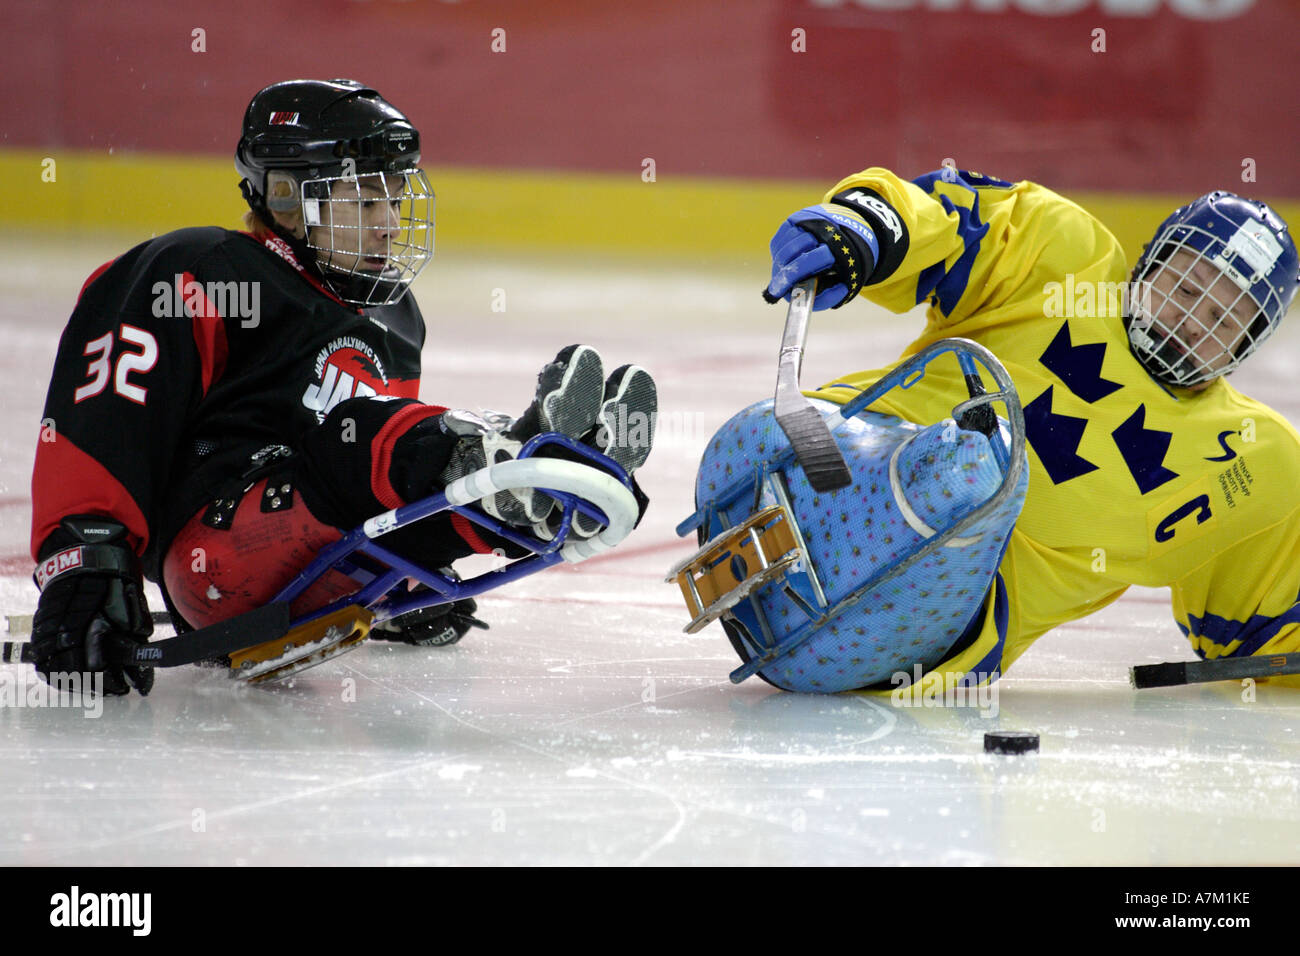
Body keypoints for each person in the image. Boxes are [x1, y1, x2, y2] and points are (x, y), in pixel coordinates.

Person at [28, 79, 657, 696]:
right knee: (358, 432)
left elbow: (372, 491)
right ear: (285, 200)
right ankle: (509, 465)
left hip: (320, 558)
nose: (387, 223)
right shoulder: (203, 271)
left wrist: (409, 586)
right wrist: (86, 564)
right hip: (211, 561)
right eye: (362, 201)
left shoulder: (395, 317)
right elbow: (104, 424)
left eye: (394, 197)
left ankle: (531, 484)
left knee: (386, 436)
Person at [692, 165, 1297, 693]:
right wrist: (867, 228)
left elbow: (1266, 631)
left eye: (1223, 317)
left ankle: (907, 522)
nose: (1191, 320)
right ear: (1152, 260)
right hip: (812, 457)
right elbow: (941, 220)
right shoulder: (1064, 251)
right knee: (966, 461)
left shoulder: (1261, 463)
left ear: (1248, 346)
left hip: (915, 636)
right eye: (1187, 288)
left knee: (972, 468)